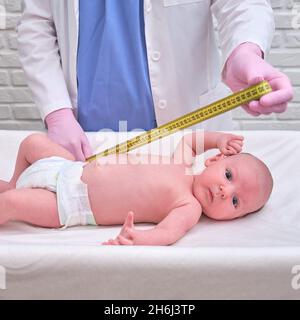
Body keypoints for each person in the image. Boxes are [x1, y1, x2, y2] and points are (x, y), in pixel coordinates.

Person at [17, 1, 293, 161]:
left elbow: (242, 3)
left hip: (188, 134)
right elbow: (37, 24)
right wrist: (57, 113)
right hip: (83, 141)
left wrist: (244, 51)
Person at [0, 131, 273, 246]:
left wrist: (136, 238)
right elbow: (191, 140)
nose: (226, 191)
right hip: (69, 168)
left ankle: (12, 192)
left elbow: (166, 233)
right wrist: (219, 138)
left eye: (236, 202)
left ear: (234, 218)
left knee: (12, 203)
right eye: (228, 175)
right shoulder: (184, 163)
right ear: (214, 160)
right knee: (32, 143)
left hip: (69, 203)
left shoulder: (188, 206)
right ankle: (14, 181)